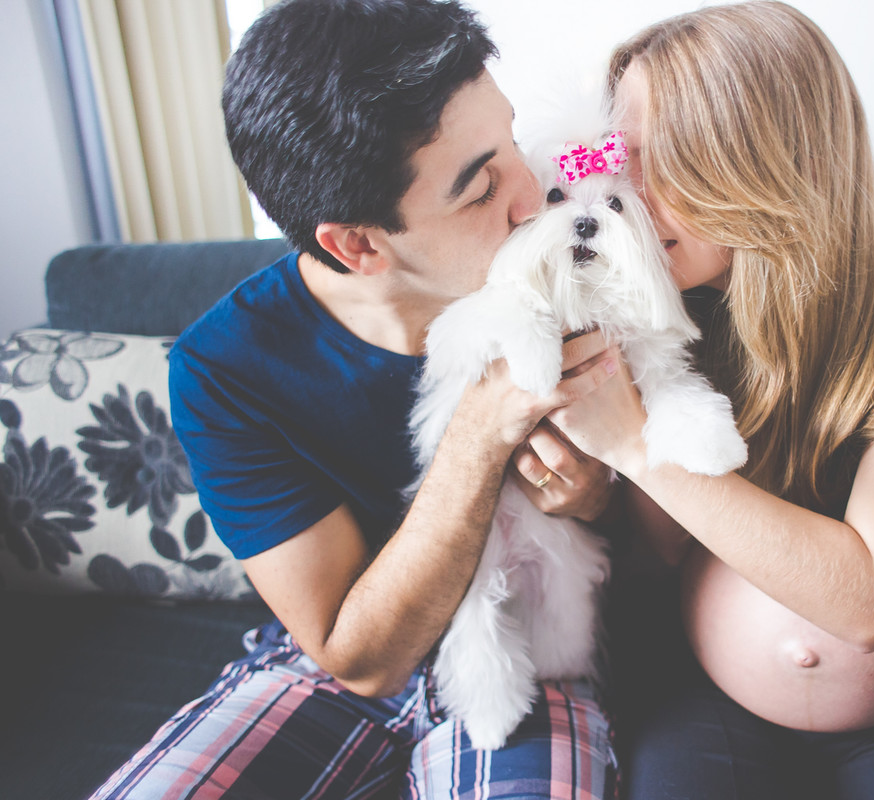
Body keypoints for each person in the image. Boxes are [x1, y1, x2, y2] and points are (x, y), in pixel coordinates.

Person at [87, 1, 620, 798]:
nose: (528, 194)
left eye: (509, 140)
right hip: (324, 667)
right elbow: (359, 658)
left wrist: (596, 491)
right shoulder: (224, 368)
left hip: (534, 652)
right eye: (478, 190)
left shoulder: (570, 261)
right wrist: (477, 433)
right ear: (358, 245)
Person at [547, 3, 874, 798]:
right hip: (705, 696)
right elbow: (664, 547)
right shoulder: (674, 285)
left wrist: (635, 447)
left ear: (760, 163)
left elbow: (871, 602)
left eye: (659, 160)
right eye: (616, 156)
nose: (622, 190)